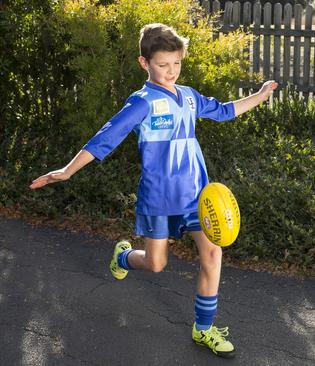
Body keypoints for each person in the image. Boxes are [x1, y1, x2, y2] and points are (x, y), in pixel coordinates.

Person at [29, 23, 278, 358]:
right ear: (144, 63)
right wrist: (66, 171)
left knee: (213, 253)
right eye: (163, 65)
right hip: (159, 199)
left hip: (196, 196)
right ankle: (123, 257)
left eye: (176, 63)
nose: (171, 71)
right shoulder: (142, 102)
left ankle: (203, 329)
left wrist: (260, 96)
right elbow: (107, 137)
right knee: (157, 264)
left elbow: (223, 111)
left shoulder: (189, 96)